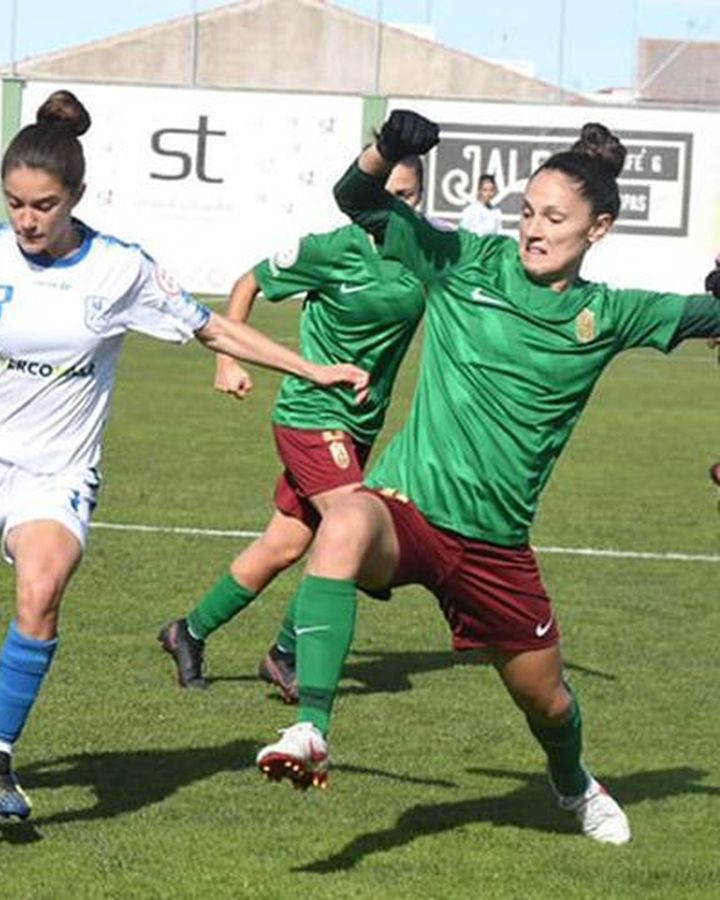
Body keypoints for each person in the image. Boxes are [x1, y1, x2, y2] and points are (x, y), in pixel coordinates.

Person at [0, 91, 369, 822]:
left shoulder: (118, 270)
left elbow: (212, 330)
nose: (27, 218)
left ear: (76, 198)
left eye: (44, 205)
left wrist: (313, 371)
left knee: (43, 587)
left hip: (56, 472)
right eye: (16, 202)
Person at [255, 110, 720, 848]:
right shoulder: (464, 261)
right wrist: (385, 151)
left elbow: (707, 315)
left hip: (497, 548)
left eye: (555, 218)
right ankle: (311, 723)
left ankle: (573, 784)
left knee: (549, 703)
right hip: (409, 513)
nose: (534, 229)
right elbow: (359, 202)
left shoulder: (612, 313)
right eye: (528, 212)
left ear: (597, 229)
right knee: (343, 519)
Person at [158, 155, 427, 702]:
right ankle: (286, 656)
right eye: (389, 193)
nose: (398, 207)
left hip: (359, 428)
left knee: (284, 545)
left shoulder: (424, 256)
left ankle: (188, 631)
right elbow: (247, 283)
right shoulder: (330, 249)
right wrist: (226, 361)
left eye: (410, 196)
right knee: (353, 532)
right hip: (311, 416)